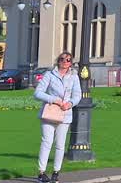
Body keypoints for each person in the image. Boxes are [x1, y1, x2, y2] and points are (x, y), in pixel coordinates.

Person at [33, 51, 81, 183]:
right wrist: (53, 99)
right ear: (58, 60)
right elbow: (37, 93)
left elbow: (77, 95)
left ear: (71, 63)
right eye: (63, 59)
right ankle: (41, 173)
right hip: (49, 113)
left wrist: (70, 103)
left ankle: (56, 172)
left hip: (65, 114)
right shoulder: (49, 74)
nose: (65, 62)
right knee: (46, 142)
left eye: (68, 60)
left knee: (60, 145)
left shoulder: (74, 77)